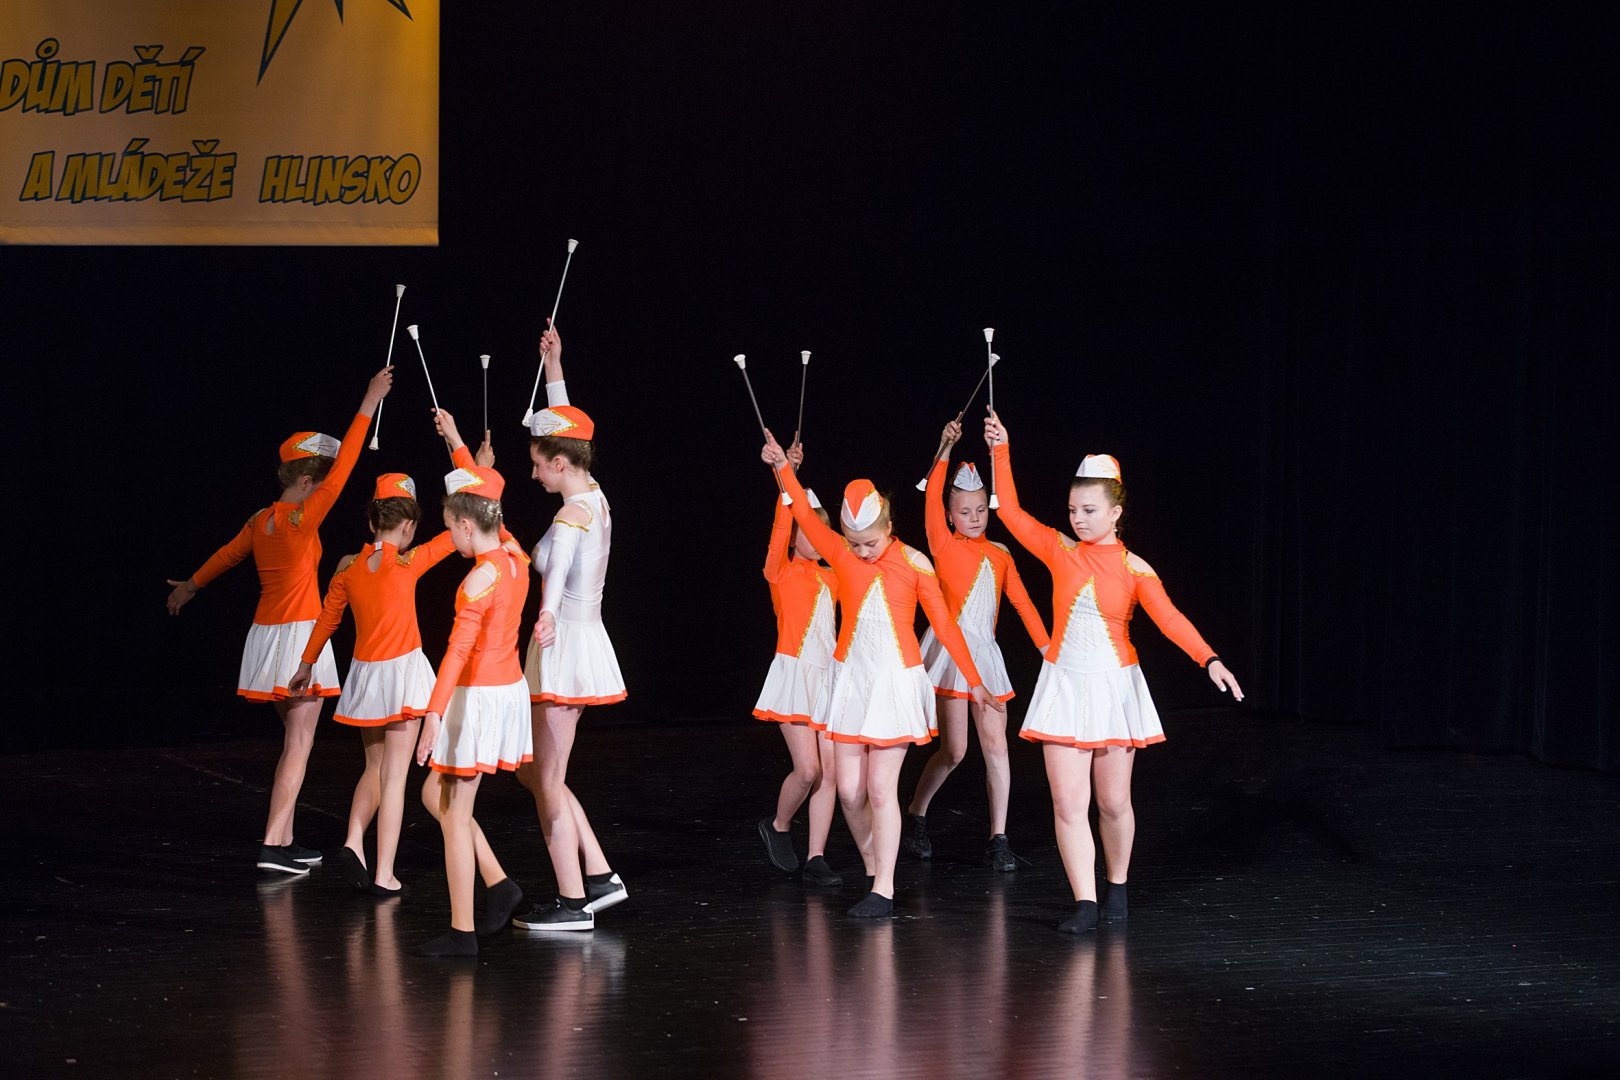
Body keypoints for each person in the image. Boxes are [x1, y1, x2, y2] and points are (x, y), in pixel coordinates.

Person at [984, 410, 1244, 934]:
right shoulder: (1060, 550)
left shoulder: (1134, 568)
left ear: (1115, 511)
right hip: (1064, 683)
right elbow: (1009, 511)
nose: (1078, 519)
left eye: (1088, 510)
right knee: (1067, 801)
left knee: (1112, 801)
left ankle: (1117, 884)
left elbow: (1170, 619)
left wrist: (1209, 658)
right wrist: (1000, 449)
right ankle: (1084, 900)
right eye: (1072, 510)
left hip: (1113, 686)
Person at [762, 430, 1004, 918]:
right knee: (850, 792)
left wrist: (975, 682)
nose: (863, 552)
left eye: (870, 542)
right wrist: (781, 467)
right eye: (854, 543)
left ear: (890, 526)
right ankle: (876, 867)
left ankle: (884, 888)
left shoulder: (915, 563)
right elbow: (802, 513)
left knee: (879, 788)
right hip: (851, 683)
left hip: (895, 681)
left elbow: (944, 625)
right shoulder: (840, 553)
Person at [166, 366, 393, 874]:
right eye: (320, 481)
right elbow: (347, 465)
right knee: (299, 743)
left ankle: (285, 840)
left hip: (264, 639)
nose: (325, 488)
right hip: (298, 637)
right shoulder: (301, 517)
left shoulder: (260, 520)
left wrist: (189, 586)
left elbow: (226, 556)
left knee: (295, 740)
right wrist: (369, 400)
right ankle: (272, 844)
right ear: (307, 481)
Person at [290, 424, 518, 898]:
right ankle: (384, 874)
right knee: (396, 780)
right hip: (403, 678)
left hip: (365, 677)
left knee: (372, 769)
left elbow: (327, 620)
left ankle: (353, 839)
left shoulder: (348, 569)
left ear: (372, 520)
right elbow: (467, 531)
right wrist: (479, 471)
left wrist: (306, 664)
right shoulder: (409, 562)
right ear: (410, 526)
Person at [511, 323, 628, 932]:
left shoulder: (572, 515)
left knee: (547, 781)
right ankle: (601, 876)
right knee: (535, 772)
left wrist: (547, 612)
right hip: (580, 642)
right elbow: (568, 429)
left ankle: (572, 901)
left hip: (564, 646)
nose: (533, 474)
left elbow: (554, 571)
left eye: (538, 465)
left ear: (560, 465)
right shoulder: (592, 492)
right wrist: (555, 368)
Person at [903, 419, 1050, 871]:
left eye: (980, 510)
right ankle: (916, 815)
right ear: (950, 515)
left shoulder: (1001, 553)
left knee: (997, 749)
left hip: (986, 655)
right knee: (955, 751)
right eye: (964, 511)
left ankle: (998, 838)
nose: (974, 517)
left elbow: (1023, 604)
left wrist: (1047, 649)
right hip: (949, 654)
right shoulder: (942, 544)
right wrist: (943, 448)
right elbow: (930, 496)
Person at [413, 457, 534, 956]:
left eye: (450, 527)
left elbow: (457, 653)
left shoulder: (477, 581)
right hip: (505, 690)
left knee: (456, 814)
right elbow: (491, 506)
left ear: (466, 525)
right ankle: (499, 883)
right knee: (433, 796)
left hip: (478, 697)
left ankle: (462, 932)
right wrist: (464, 454)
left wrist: (432, 714)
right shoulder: (515, 555)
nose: (450, 537)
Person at [753, 440, 844, 887]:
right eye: (808, 529)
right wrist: (783, 474)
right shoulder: (781, 571)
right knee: (808, 769)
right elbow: (780, 524)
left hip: (828, 679)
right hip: (793, 677)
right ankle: (778, 825)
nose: (817, 537)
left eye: (822, 531)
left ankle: (816, 857)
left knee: (830, 772)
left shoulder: (834, 576)